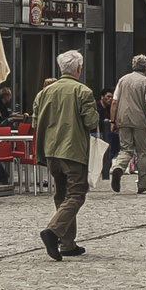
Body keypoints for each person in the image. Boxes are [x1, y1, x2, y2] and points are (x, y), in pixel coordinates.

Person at [32, 49, 99, 260]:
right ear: (79, 69)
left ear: (61, 68)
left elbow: (35, 122)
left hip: (51, 150)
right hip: (73, 150)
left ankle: (68, 244)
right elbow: (92, 122)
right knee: (76, 194)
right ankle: (53, 232)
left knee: (61, 195)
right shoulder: (83, 91)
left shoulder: (43, 93)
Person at [108, 54, 146, 194]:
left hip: (123, 119)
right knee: (142, 153)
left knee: (126, 149)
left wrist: (113, 121)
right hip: (141, 121)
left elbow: (114, 102)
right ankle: (142, 186)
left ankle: (118, 167)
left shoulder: (122, 80)